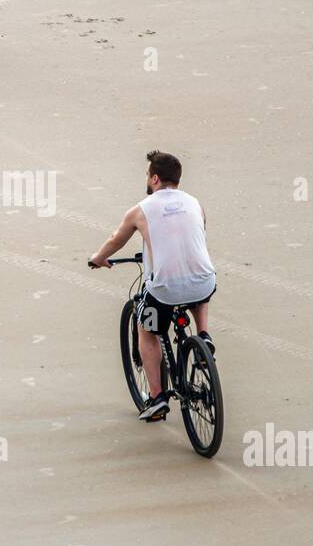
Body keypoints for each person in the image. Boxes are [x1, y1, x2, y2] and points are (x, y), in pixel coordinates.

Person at [89, 150, 217, 422]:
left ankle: (157, 397)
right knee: (199, 285)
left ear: (155, 178)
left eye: (147, 174)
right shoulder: (196, 204)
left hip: (165, 288)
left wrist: (98, 259)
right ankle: (204, 335)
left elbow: (116, 239)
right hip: (204, 280)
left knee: (146, 327)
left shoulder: (141, 209)